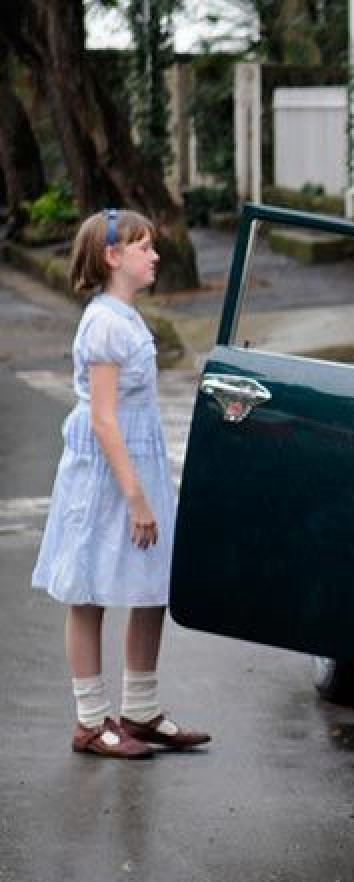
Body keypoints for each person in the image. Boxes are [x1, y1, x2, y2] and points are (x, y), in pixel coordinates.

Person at [31, 209, 210, 759]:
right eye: (144, 247)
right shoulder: (105, 323)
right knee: (88, 592)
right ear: (113, 257)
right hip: (107, 476)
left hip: (139, 466)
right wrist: (135, 497)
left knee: (152, 584)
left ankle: (140, 710)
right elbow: (104, 418)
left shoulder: (127, 317)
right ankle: (90, 721)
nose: (155, 255)